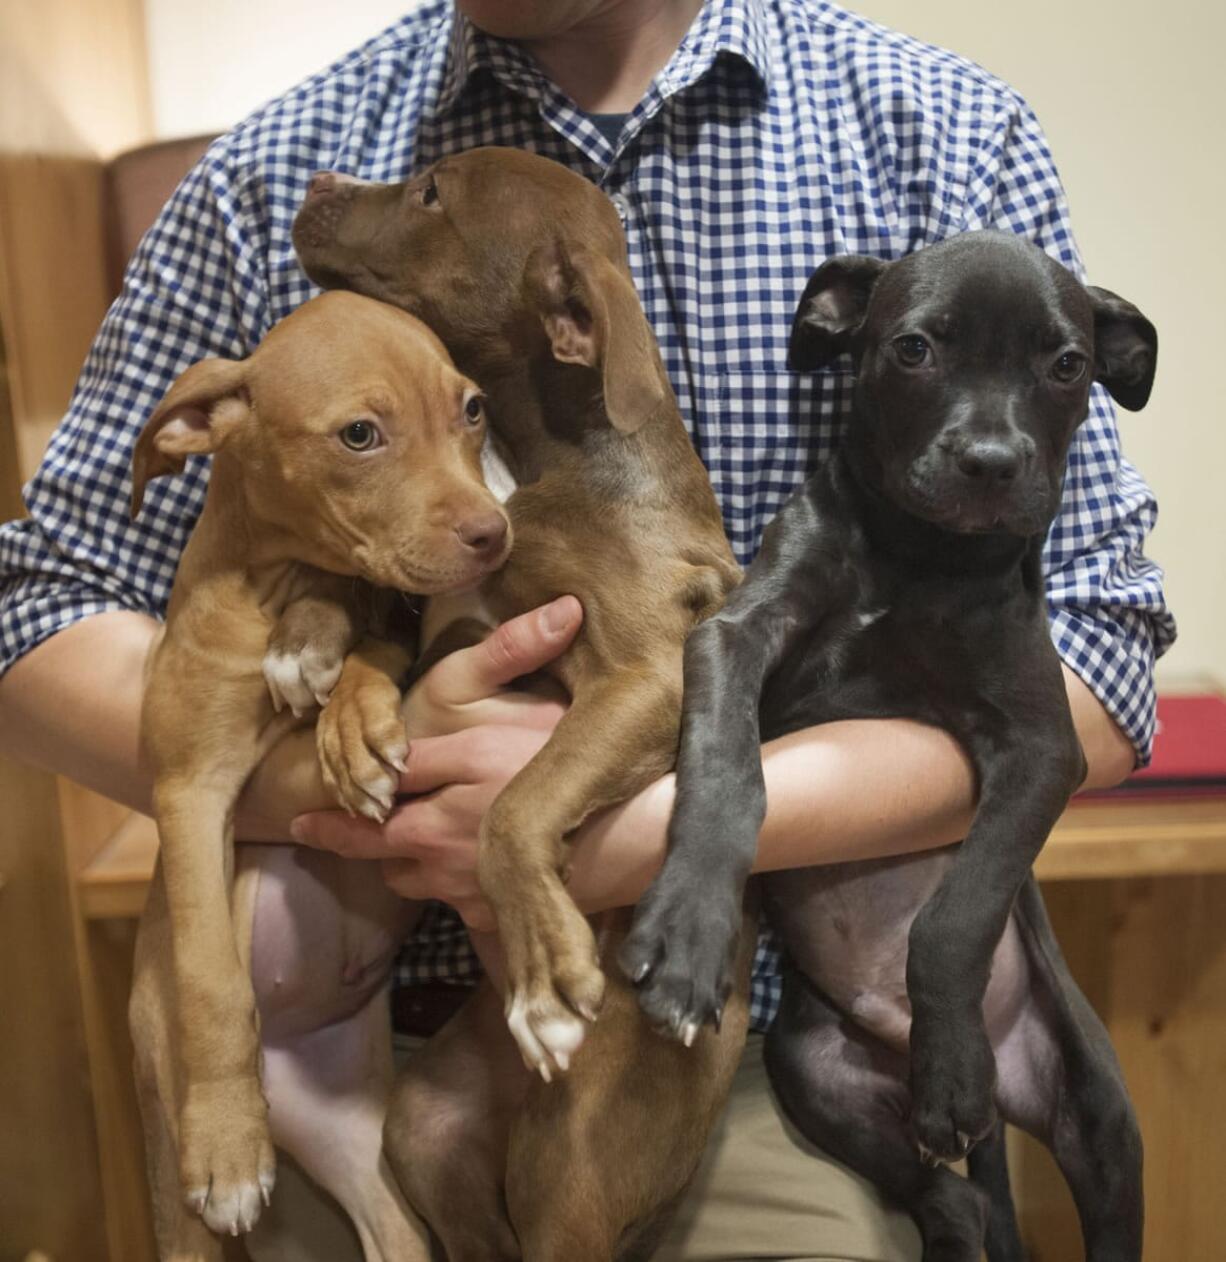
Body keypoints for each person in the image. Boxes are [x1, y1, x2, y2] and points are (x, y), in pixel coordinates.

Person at [0, 1, 1173, 1258]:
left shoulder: (929, 131)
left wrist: (657, 830)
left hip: (752, 1039)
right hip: (372, 1032)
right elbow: (38, 622)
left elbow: (1099, 666)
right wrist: (360, 788)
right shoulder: (273, 170)